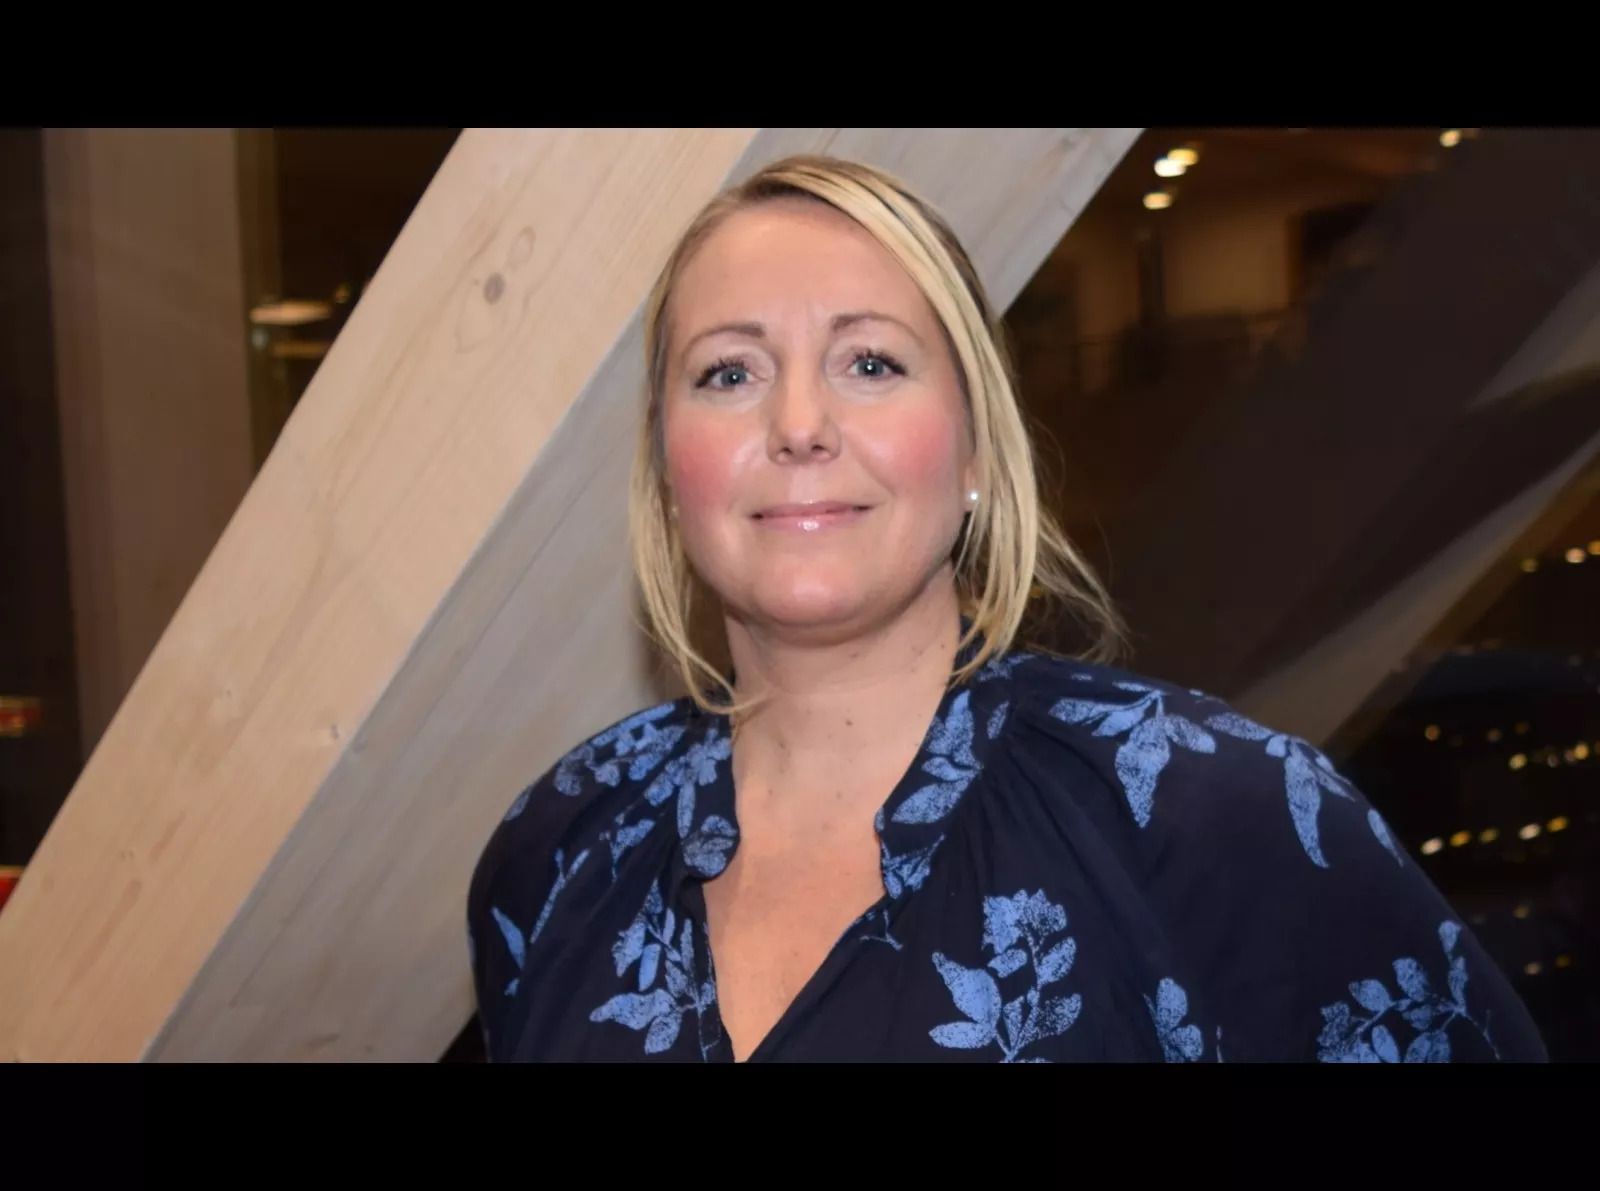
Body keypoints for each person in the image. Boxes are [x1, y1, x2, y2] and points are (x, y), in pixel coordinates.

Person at [466, 154, 1546, 1063]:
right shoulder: (561, 850)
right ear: (667, 469)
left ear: (977, 450)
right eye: (728, 373)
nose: (798, 423)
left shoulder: (1215, 813)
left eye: (870, 362)